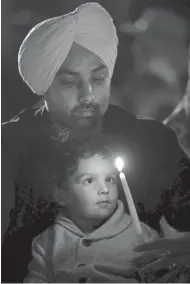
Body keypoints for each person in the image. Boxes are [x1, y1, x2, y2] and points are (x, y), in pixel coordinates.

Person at [1, 2, 190, 282]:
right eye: (69, 82)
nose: (87, 95)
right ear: (44, 87)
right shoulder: (9, 146)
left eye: (99, 78)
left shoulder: (153, 141)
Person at [24, 135, 159, 283]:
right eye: (89, 180)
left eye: (109, 179)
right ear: (61, 195)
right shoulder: (48, 242)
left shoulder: (144, 236)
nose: (104, 189)